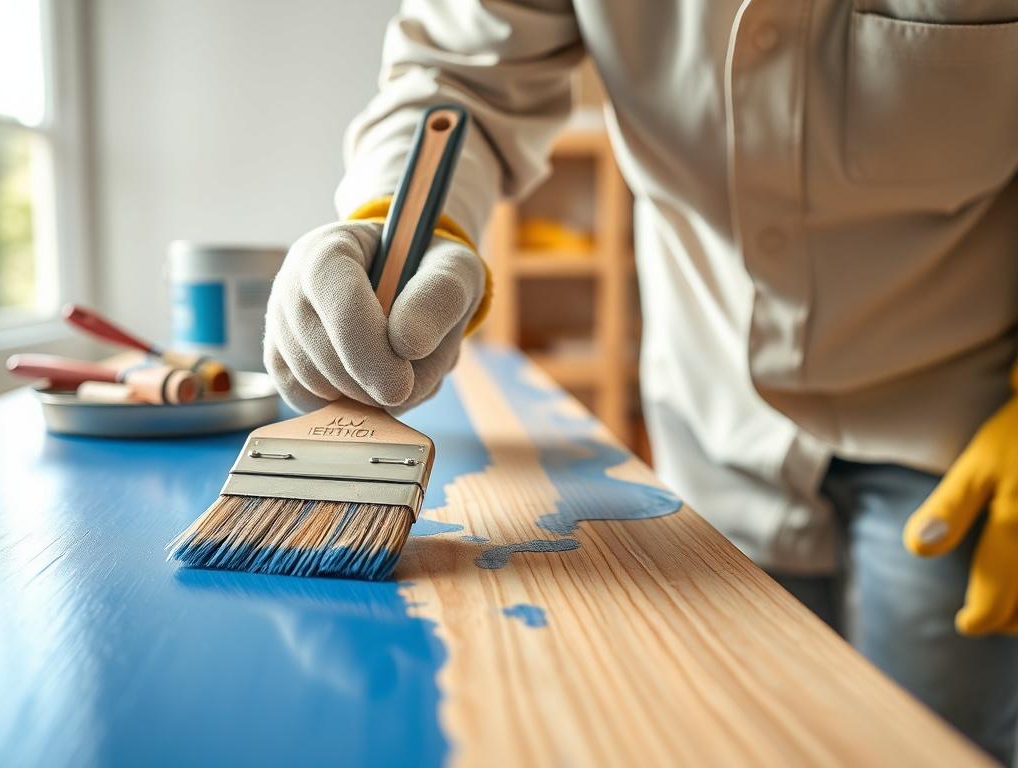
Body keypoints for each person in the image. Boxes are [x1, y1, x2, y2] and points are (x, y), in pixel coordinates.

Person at [263, 2, 1018, 761]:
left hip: (964, 429)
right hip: (714, 416)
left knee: (940, 743)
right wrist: (398, 219)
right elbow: (463, 75)